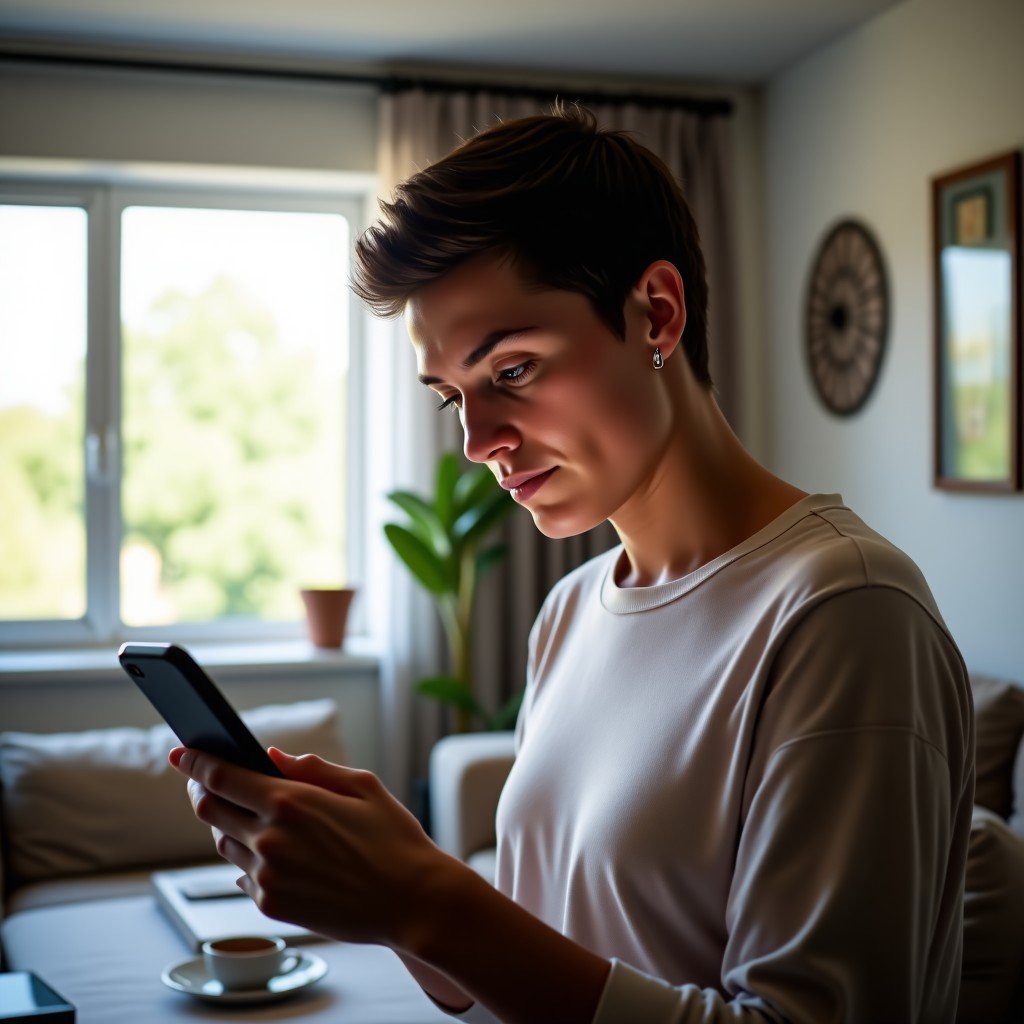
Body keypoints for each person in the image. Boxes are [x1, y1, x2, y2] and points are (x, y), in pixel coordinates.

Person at [171, 104, 975, 1023]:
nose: (477, 440)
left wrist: (428, 900)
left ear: (656, 315)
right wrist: (396, 889)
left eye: (511, 371)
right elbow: (537, 964)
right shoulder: (570, 610)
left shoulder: (844, 613)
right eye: (452, 398)